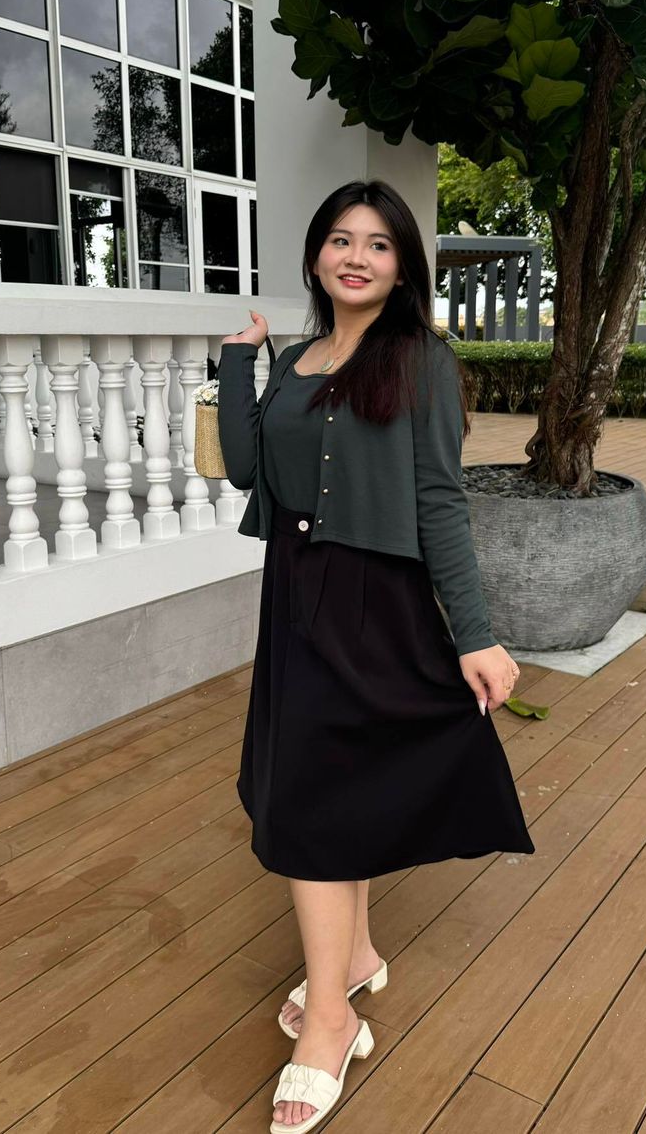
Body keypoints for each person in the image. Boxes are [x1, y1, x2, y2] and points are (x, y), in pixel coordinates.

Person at [217, 179, 535, 1133]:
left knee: (316, 799)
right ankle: (351, 961)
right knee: (316, 785)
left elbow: (439, 499)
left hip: (375, 600)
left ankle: (332, 1018)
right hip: (294, 593)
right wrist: (239, 362)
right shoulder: (296, 361)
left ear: (403, 268)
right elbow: (246, 470)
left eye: (380, 244)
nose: (357, 257)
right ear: (317, 254)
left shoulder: (421, 359)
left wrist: (474, 631)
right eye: (341, 240)